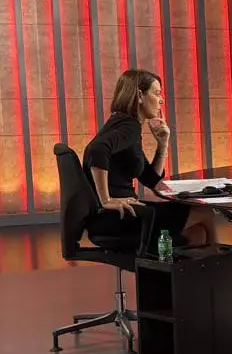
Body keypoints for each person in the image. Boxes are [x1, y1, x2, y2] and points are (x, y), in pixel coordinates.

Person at [82, 69, 218, 251]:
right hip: (117, 217)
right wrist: (106, 200)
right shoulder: (129, 126)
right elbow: (96, 150)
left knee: (196, 234)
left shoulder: (124, 124)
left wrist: (162, 143)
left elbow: (151, 180)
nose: (161, 100)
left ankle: (190, 267)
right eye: (157, 93)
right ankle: (222, 265)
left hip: (118, 215)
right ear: (140, 96)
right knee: (205, 211)